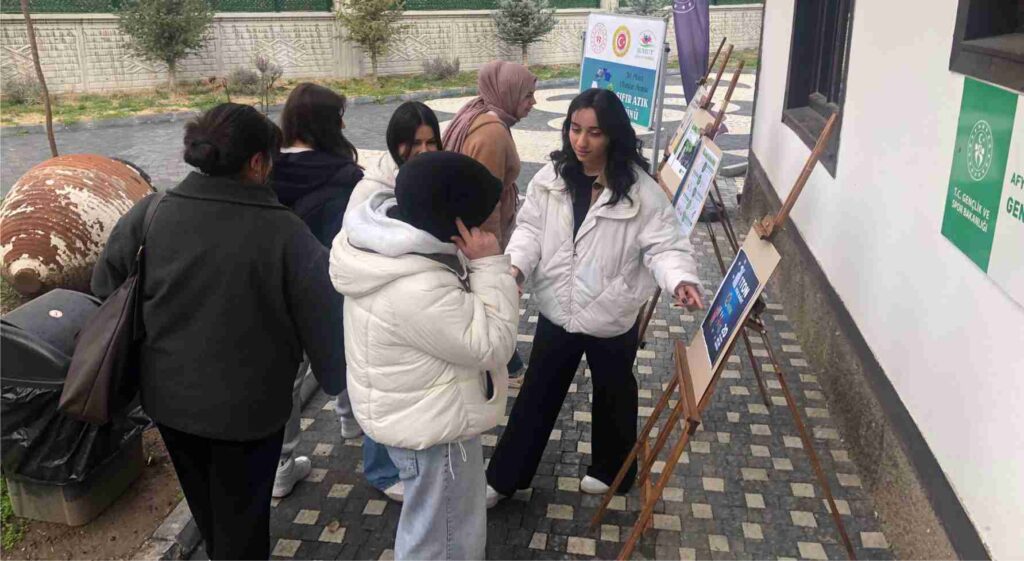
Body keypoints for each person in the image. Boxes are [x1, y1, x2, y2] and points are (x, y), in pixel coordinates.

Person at [92, 103, 344, 559]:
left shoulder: (152, 212)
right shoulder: (285, 233)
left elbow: (105, 286)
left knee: (206, 502)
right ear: (256, 162)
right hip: (249, 415)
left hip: (168, 402)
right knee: (244, 520)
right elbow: (325, 322)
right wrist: (339, 379)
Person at [485, 89, 705, 507]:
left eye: (594, 133)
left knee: (615, 394)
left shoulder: (641, 192)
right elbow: (529, 230)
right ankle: (506, 478)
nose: (581, 142)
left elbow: (665, 247)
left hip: (611, 312)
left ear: (614, 136)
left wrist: (680, 280)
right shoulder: (550, 179)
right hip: (557, 308)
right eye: (574, 129)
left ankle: (613, 472)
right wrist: (514, 266)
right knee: (536, 395)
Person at [330, 151, 517, 560]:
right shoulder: (418, 287)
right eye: (480, 220)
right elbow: (494, 344)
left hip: (417, 411)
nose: (487, 230)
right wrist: (489, 266)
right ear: (455, 223)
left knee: (436, 523)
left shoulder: (389, 242)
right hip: (434, 431)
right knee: (441, 537)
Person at [333, 100, 444, 503]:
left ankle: (394, 462)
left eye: (432, 142)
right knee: (379, 389)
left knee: (398, 390)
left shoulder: (433, 176)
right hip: (376, 301)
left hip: (413, 302)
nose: (423, 151)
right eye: (413, 143)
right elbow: (354, 248)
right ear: (395, 144)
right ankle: (380, 470)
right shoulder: (372, 189)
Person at [270, 83, 364, 499]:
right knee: (346, 351)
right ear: (329, 123)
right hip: (331, 283)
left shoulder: (261, 168)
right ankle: (350, 422)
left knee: (287, 380)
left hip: (275, 289)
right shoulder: (343, 174)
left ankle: (283, 465)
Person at [442, 60, 537, 379]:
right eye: (528, 96)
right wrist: (495, 258)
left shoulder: (478, 112)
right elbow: (487, 203)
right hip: (480, 240)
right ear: (507, 93)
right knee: (489, 298)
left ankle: (505, 361)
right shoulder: (492, 134)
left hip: (467, 234)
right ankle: (503, 364)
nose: (533, 103)